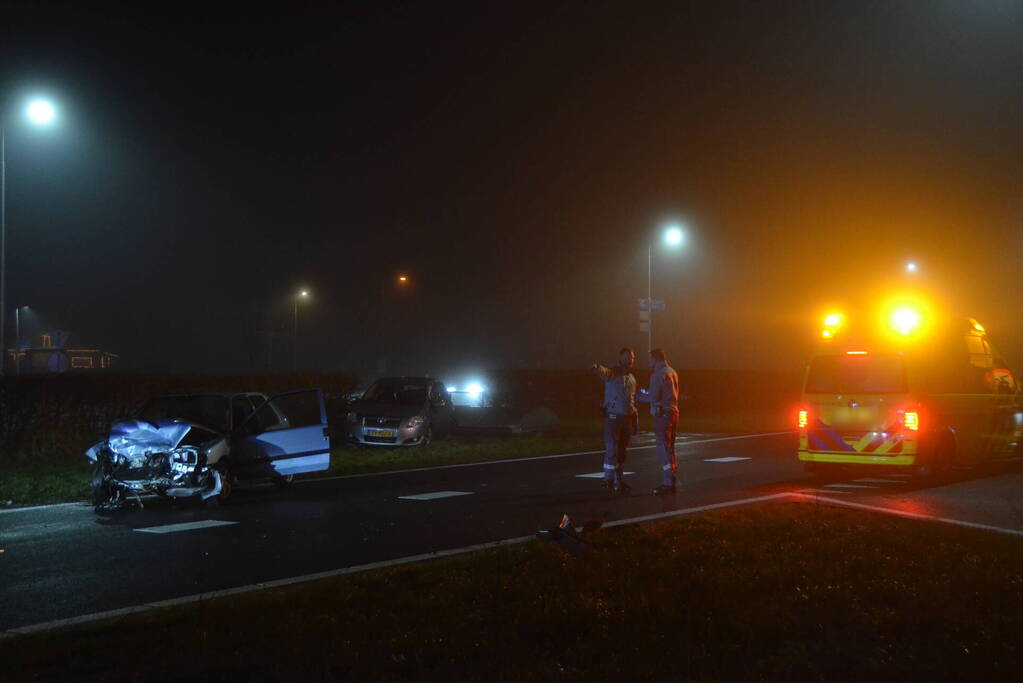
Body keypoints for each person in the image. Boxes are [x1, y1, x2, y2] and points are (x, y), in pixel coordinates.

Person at [589, 347, 638, 494]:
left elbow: (633, 401)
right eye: (628, 356)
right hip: (613, 417)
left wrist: (635, 419)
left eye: (633, 357)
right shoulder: (613, 373)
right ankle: (608, 479)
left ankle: (618, 479)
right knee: (612, 449)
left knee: (622, 452)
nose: (630, 360)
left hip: (627, 418)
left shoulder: (632, 378)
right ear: (620, 358)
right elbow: (604, 372)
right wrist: (596, 367)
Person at [638, 348, 680, 495]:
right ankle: (672, 478)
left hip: (662, 415)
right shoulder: (672, 371)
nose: (649, 362)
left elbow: (653, 397)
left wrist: (637, 396)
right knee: (670, 447)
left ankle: (668, 482)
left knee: (663, 448)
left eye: (650, 359)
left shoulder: (657, 375)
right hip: (673, 412)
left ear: (655, 359)